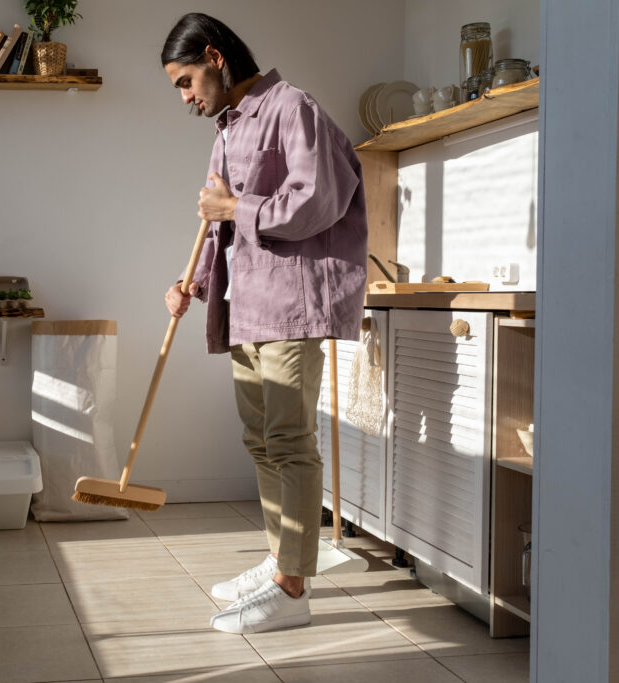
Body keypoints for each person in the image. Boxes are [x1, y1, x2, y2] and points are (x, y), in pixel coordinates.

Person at [160, 13, 368, 634]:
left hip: (291, 303)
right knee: (261, 443)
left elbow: (318, 200)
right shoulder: (227, 131)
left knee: (290, 442)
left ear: (215, 57)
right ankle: (282, 558)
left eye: (186, 80)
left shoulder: (291, 108)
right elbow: (215, 225)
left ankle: (293, 588)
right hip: (245, 306)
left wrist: (235, 205)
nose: (186, 97)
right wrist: (191, 283)